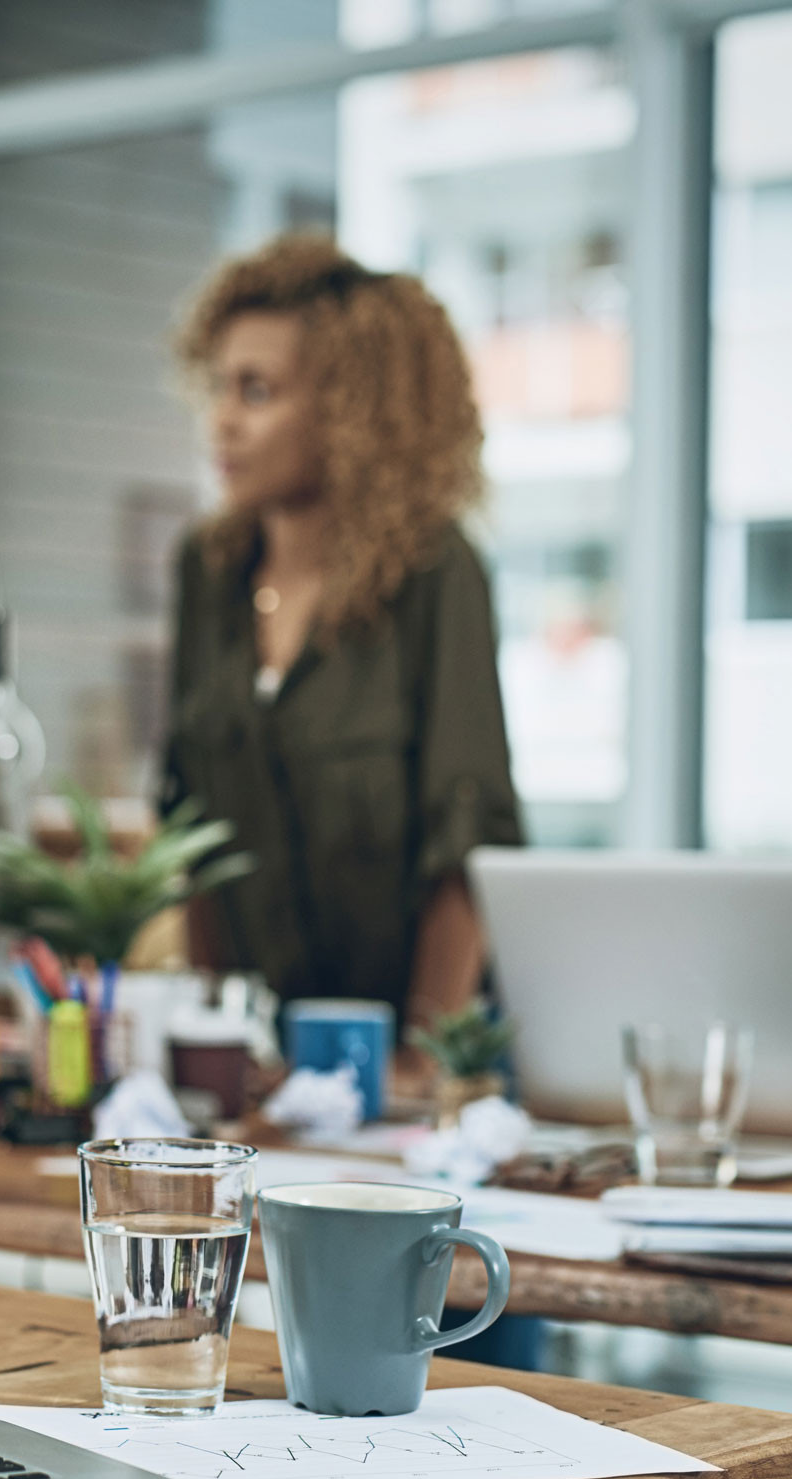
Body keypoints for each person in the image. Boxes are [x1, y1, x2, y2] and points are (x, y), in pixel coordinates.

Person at [165, 232, 523, 1086]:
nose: (223, 419)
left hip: (419, 1062)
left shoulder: (435, 572)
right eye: (219, 386)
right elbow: (189, 827)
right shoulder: (208, 571)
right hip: (270, 1066)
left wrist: (419, 1063)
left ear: (351, 409)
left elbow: (463, 842)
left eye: (258, 391)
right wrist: (215, 1039)